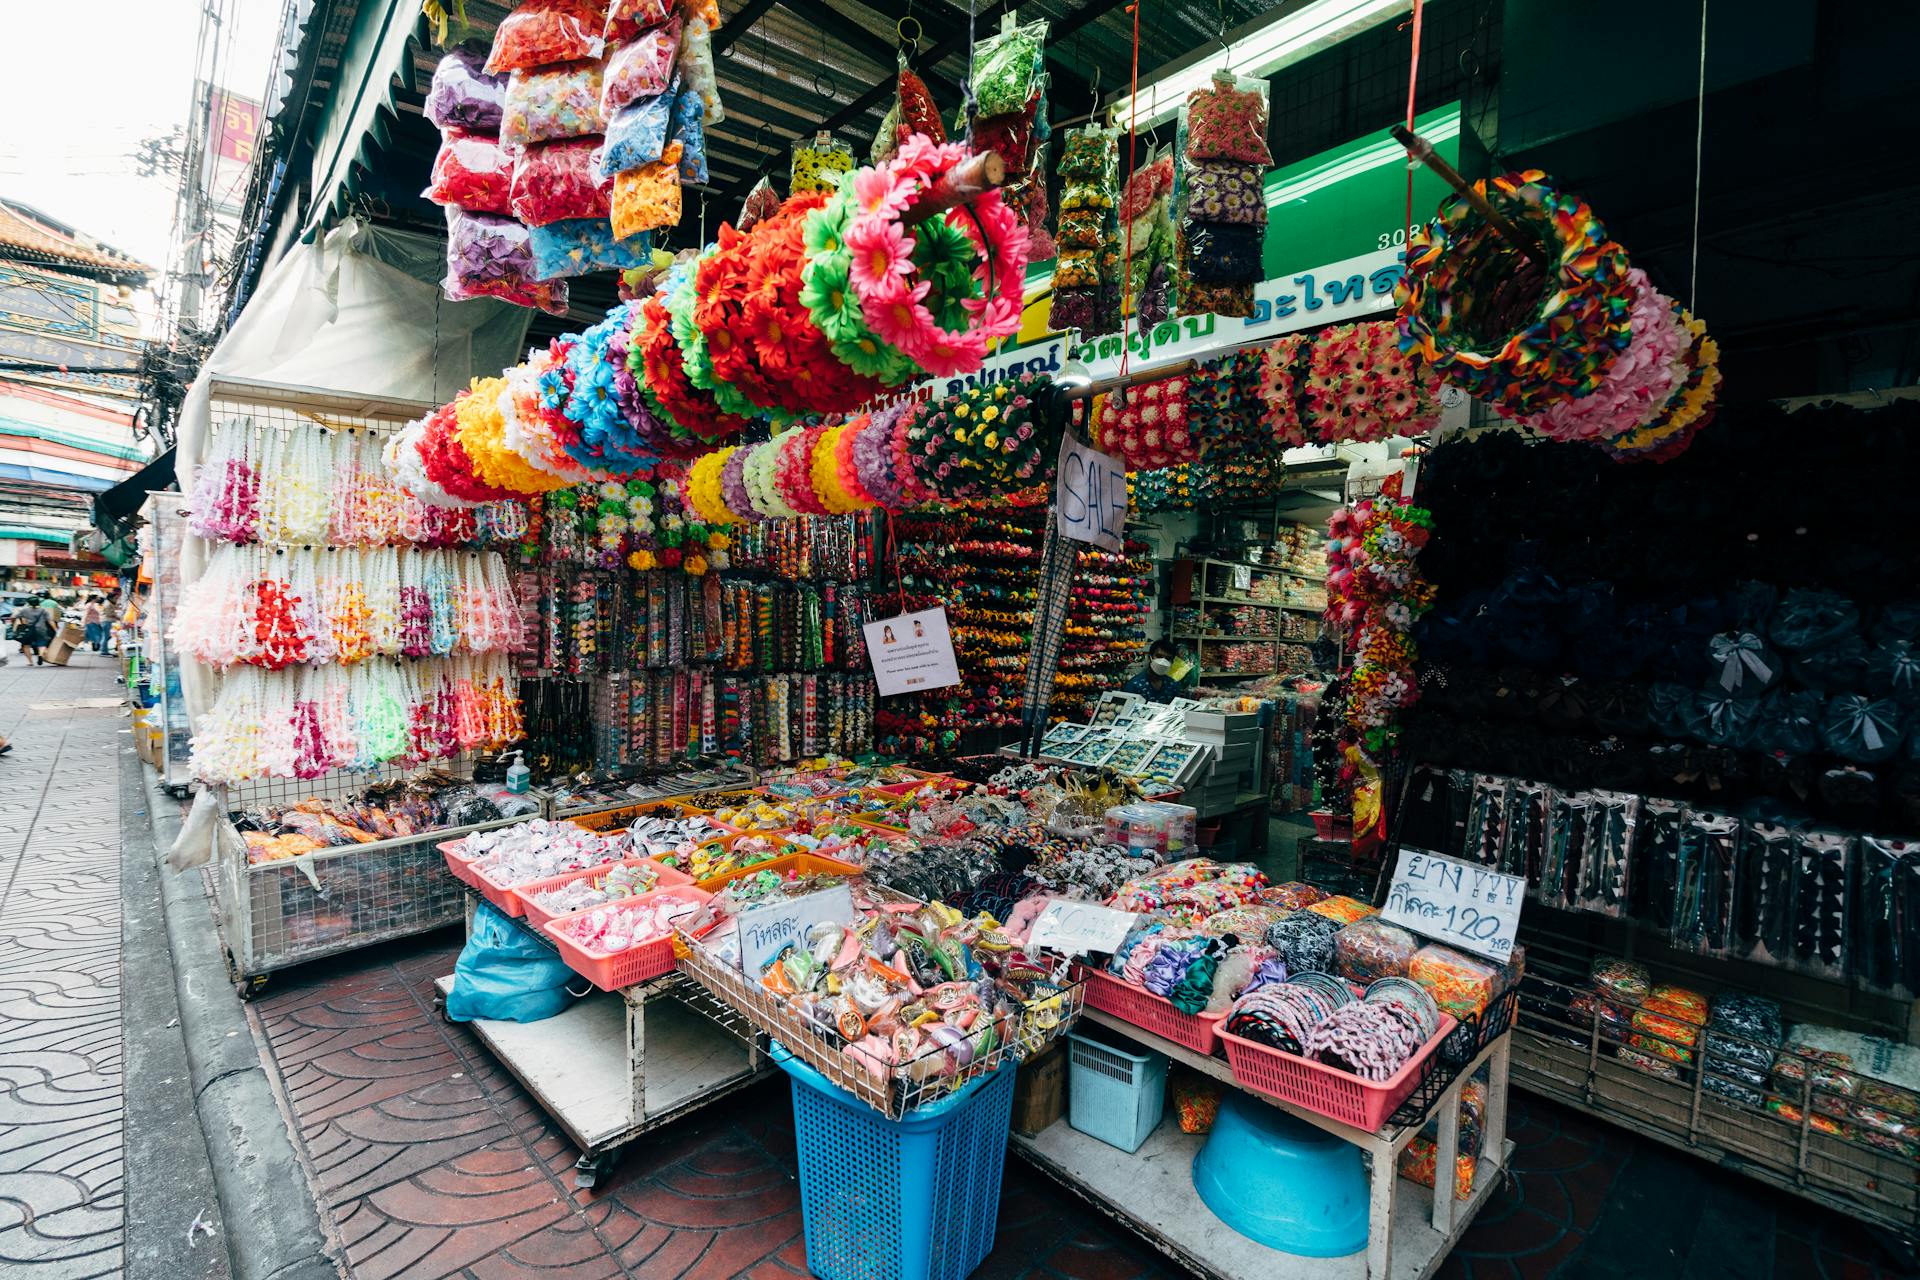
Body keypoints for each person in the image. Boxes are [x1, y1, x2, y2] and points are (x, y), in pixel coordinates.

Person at [1122, 639, 1185, 704]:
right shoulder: (1134, 685)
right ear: (1150, 657)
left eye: (1168, 658)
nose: (1163, 661)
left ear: (1172, 662)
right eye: (1159, 656)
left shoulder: (1173, 686)